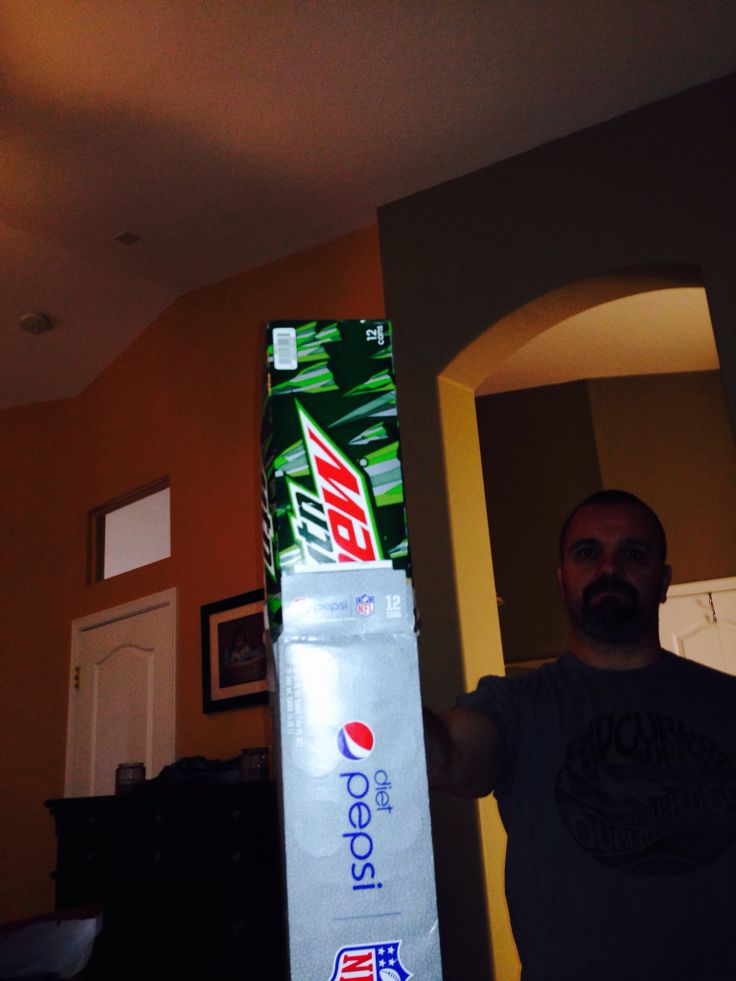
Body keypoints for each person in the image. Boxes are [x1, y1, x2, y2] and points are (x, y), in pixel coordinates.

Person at [425, 489, 736, 981]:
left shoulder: (727, 704)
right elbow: (444, 759)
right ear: (562, 578)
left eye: (633, 553)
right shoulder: (515, 705)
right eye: (587, 552)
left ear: (664, 581)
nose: (609, 569)